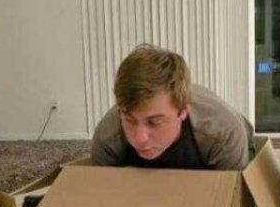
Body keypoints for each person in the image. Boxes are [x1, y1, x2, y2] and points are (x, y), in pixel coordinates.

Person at [91, 44, 253, 170]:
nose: (140, 139)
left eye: (154, 122)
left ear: (183, 110)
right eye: (130, 121)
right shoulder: (107, 137)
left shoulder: (223, 134)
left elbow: (232, 203)